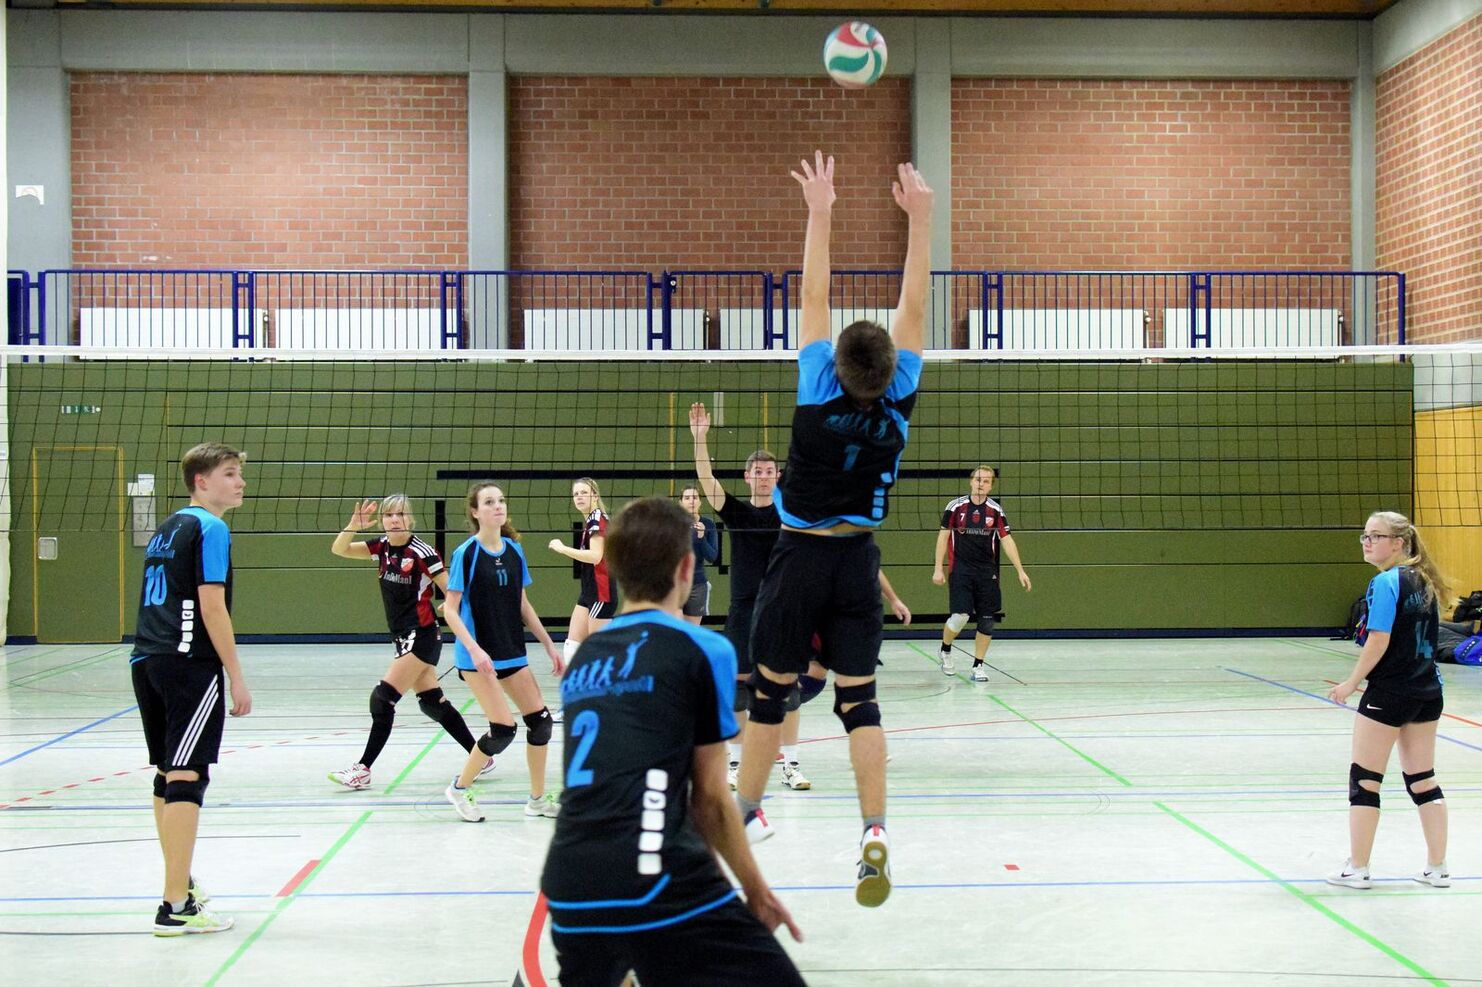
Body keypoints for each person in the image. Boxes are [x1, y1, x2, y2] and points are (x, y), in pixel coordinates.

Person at [736, 151, 933, 910]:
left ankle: (748, 809)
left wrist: (821, 209)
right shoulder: (902, 392)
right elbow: (912, 306)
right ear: (888, 368)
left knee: (769, 696)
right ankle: (874, 829)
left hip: (798, 558)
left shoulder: (819, 384)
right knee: (861, 702)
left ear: (839, 364)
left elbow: (812, 290)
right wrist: (922, 221)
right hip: (858, 562)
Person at [540, 497, 804, 985]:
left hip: (568, 878)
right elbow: (708, 799)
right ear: (687, 568)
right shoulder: (703, 648)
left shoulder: (584, 658)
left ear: (614, 569)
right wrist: (756, 891)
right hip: (653, 872)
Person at [132, 443, 251, 935]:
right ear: (202, 481)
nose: (240, 482)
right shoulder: (211, 526)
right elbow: (212, 606)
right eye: (229, 474)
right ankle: (175, 905)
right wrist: (235, 674)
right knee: (187, 777)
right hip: (188, 664)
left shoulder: (168, 526)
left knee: (167, 775)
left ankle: (178, 882)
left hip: (147, 659)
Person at [327, 495, 488, 790]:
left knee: (382, 698)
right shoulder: (381, 548)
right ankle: (481, 755)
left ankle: (363, 769)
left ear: (410, 520)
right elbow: (339, 549)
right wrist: (353, 526)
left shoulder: (423, 553)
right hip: (402, 637)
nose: (394, 520)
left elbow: (452, 588)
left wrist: (453, 608)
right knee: (432, 703)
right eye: (389, 515)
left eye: (400, 514)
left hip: (423, 635)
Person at [1326, 511, 1451, 890]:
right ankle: (1437, 867)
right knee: (1422, 779)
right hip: (1428, 692)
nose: (1367, 542)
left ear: (1398, 543)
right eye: (1364, 535)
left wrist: (1351, 682)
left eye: (1376, 536)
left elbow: (1378, 640)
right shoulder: (1424, 579)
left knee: (1364, 780)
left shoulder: (1385, 582)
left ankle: (1358, 868)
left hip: (1391, 694)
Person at [443, 483, 564, 822]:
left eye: (500, 501)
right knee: (503, 729)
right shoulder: (466, 553)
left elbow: (522, 603)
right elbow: (449, 610)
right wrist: (475, 650)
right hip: (477, 657)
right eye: (489, 502)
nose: (498, 506)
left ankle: (537, 800)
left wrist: (548, 643)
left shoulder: (513, 549)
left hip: (511, 650)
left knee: (540, 724)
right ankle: (459, 788)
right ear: (475, 511)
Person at [689, 403, 781, 788]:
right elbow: (707, 479)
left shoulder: (791, 516)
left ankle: (787, 760)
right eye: (757, 472)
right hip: (743, 610)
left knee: (783, 690)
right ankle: (737, 762)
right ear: (747, 477)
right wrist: (699, 438)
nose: (762, 477)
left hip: (781, 609)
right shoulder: (737, 513)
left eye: (769, 472)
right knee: (741, 690)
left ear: (777, 477)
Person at [778, 570, 913, 791]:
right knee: (808, 678)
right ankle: (772, 721)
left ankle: (866, 744)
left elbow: (872, 566)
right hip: (808, 612)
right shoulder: (804, 543)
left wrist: (894, 599)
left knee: (845, 682)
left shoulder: (854, 542)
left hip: (843, 616)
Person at [932, 466, 1032, 681]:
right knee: (960, 617)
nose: (981, 483)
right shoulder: (955, 507)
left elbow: (1007, 540)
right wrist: (938, 568)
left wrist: (1020, 571)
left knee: (987, 621)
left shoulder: (996, 511)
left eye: (986, 481)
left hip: (987, 572)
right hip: (961, 569)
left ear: (991, 486)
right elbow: (943, 538)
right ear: (971, 481)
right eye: (978, 479)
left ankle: (978, 666)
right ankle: (945, 649)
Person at [549, 477, 617, 686]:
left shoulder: (597, 519)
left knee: (598, 652)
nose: (578, 497)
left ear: (595, 496)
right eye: (576, 494)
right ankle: (575, 698)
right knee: (572, 645)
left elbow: (596, 556)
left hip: (601, 594)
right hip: (589, 592)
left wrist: (562, 549)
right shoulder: (592, 519)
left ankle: (609, 699)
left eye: (584, 493)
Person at [679, 484, 719, 626]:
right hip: (676, 584)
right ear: (681, 502)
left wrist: (701, 537)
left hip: (698, 584)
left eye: (695, 497)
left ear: (700, 502)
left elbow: (712, 557)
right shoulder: (674, 524)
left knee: (691, 633)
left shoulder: (708, 524)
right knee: (675, 630)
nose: (691, 501)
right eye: (687, 498)